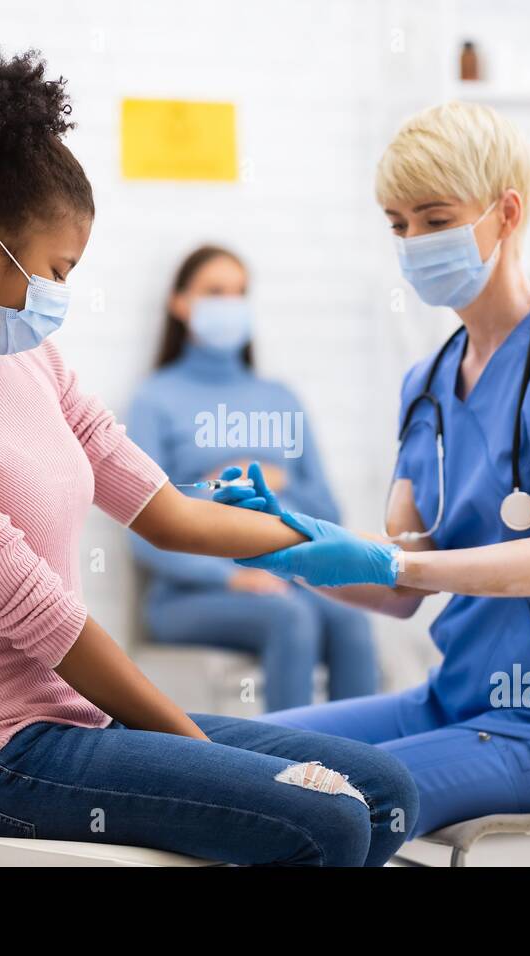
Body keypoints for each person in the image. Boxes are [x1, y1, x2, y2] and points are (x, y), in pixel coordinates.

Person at [0, 50, 418, 866]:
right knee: (323, 821)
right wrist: (207, 754)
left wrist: (317, 541)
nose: (58, 295)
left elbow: (170, 514)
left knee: (385, 795)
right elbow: (49, 625)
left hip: (79, 722)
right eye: (54, 270)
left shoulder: (30, 362)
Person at [215, 101, 530, 839]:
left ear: (506, 212)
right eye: (398, 224)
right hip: (452, 702)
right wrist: (285, 543)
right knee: (225, 755)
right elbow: (399, 585)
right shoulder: (426, 382)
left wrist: (396, 563)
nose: (414, 241)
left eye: (434, 217)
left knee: (309, 798)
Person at [127, 245, 377, 711]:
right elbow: (142, 531)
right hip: (188, 596)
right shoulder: (154, 399)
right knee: (291, 619)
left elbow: (328, 514)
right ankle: (289, 779)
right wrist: (214, 495)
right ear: (180, 303)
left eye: (239, 293)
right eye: (215, 292)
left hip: (285, 582)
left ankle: (360, 773)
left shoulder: (279, 398)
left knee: (353, 622)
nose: (230, 304)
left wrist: (281, 485)